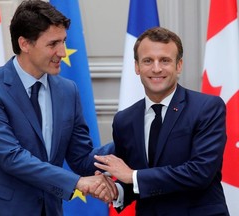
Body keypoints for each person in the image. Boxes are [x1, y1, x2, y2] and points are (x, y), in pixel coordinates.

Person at [0, 1, 117, 215]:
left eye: (63, 41)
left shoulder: (68, 91)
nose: (62, 52)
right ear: (24, 44)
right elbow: (11, 157)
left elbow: (82, 159)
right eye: (53, 44)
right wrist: (77, 183)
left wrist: (130, 136)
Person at [94, 27, 229, 215]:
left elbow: (200, 172)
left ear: (179, 65)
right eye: (148, 61)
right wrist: (116, 191)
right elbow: (135, 180)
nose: (156, 68)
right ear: (136, 66)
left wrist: (132, 176)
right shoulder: (124, 120)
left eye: (165, 60)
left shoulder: (207, 107)